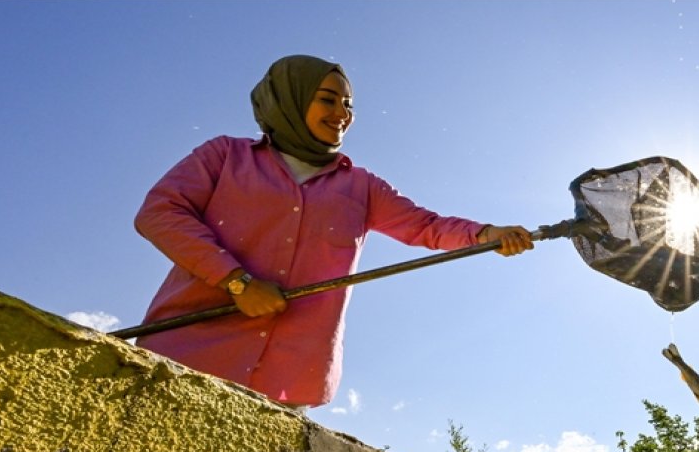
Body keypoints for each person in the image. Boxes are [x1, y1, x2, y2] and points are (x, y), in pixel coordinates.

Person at [134, 54, 533, 408]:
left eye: (348, 104)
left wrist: (485, 234)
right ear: (288, 98)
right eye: (327, 99)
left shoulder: (362, 187)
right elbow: (159, 213)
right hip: (185, 355)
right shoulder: (224, 155)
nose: (342, 112)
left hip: (286, 384)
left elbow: (425, 226)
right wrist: (236, 281)